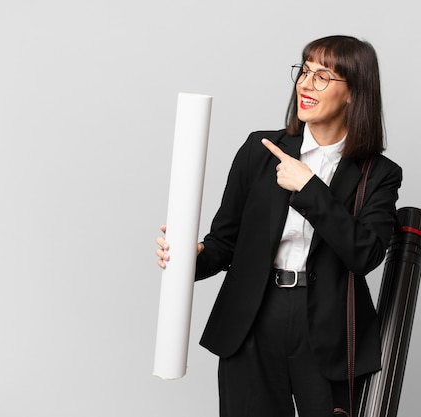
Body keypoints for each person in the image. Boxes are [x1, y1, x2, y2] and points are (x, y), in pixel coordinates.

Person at [156, 35, 402, 417]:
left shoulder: (378, 174)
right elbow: (224, 244)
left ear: (354, 92)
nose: (305, 84)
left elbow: (366, 254)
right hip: (253, 319)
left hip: (327, 328)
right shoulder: (260, 149)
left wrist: (308, 187)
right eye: (304, 71)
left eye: (323, 76)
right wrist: (193, 257)